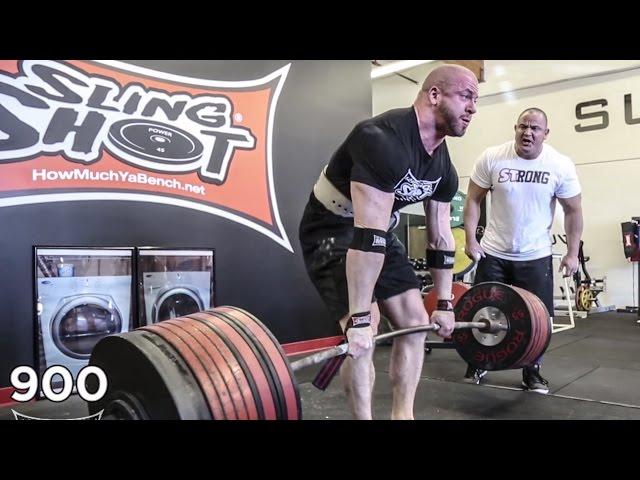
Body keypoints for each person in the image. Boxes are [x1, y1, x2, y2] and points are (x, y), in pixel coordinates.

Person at [298, 64, 479, 419]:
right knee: (364, 330)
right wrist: (361, 320)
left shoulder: (442, 166)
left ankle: (402, 415)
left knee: (415, 320)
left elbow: (442, 237)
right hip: (331, 229)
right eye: (466, 96)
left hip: (377, 230)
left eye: (476, 100)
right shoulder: (380, 138)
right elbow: (367, 237)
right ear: (434, 95)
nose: (473, 107)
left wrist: (443, 302)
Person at [463, 107, 584, 394]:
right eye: (522, 127)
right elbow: (472, 200)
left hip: (535, 255)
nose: (527, 133)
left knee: (538, 319)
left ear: (545, 133)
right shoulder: (493, 157)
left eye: (534, 128)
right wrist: (470, 239)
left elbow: (574, 210)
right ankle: (478, 363)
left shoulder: (559, 164)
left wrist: (572, 252)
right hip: (493, 252)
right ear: (515, 128)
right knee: (483, 313)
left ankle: (532, 371)